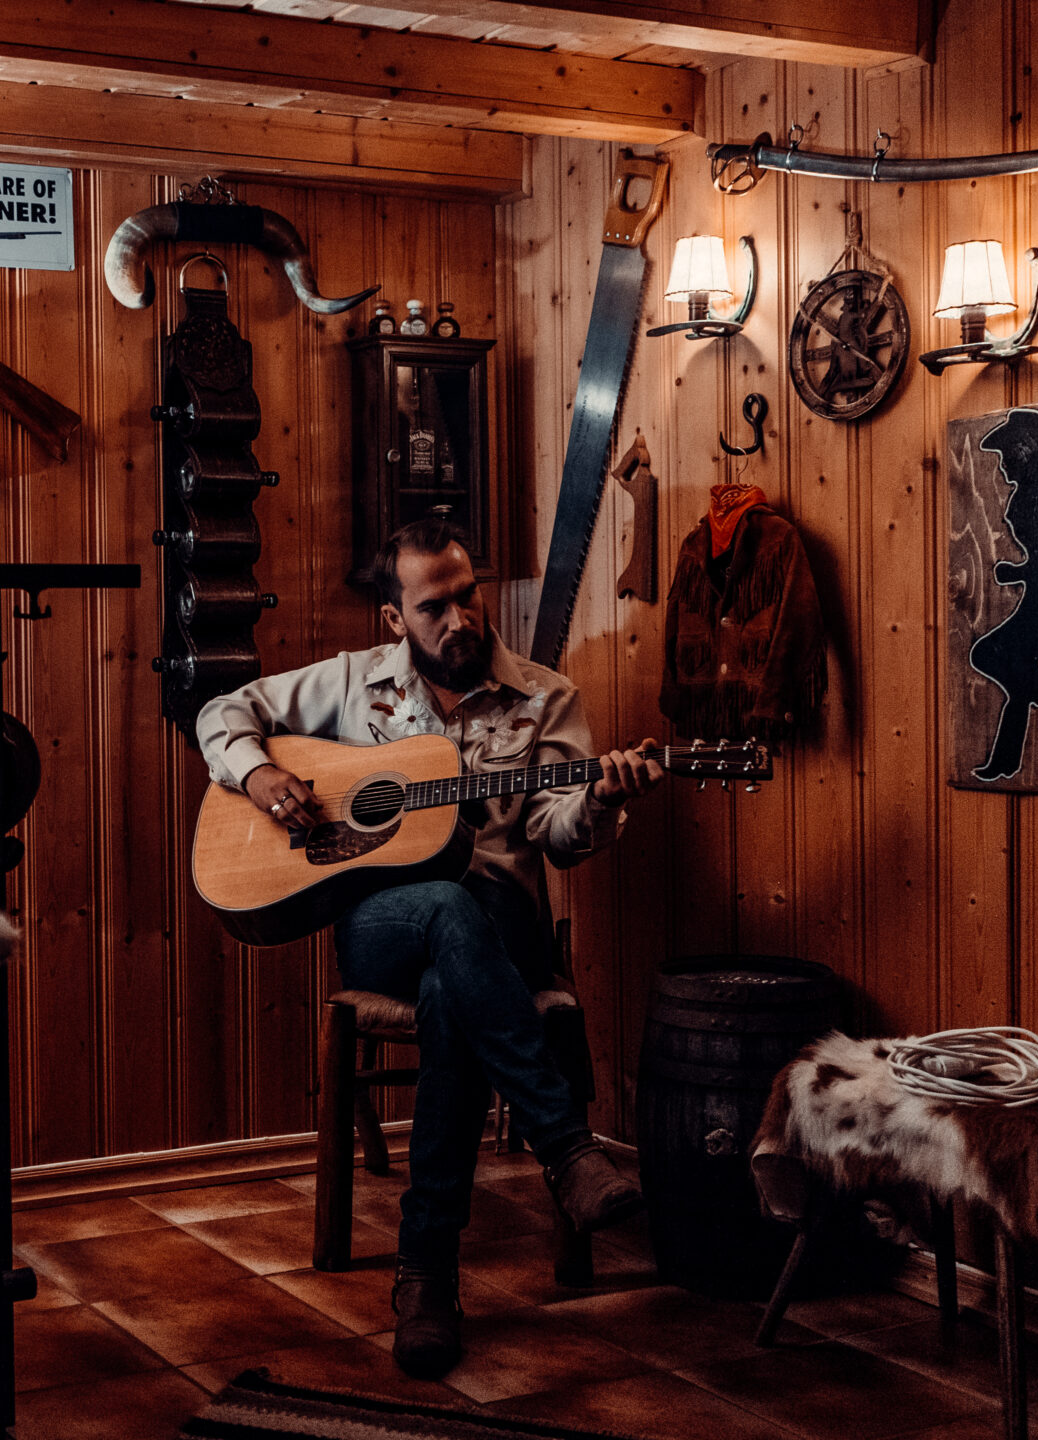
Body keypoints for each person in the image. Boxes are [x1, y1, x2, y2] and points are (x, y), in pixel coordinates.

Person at [195, 513, 663, 1379]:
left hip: (504, 929)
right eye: (435, 607)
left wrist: (600, 797)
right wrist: (260, 775)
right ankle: (567, 1146)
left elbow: (559, 837)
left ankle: (427, 1280)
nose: (461, 620)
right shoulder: (348, 684)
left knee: (459, 965)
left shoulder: (546, 700)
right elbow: (224, 710)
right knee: (442, 908)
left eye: (469, 597)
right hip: (384, 927)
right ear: (395, 618)